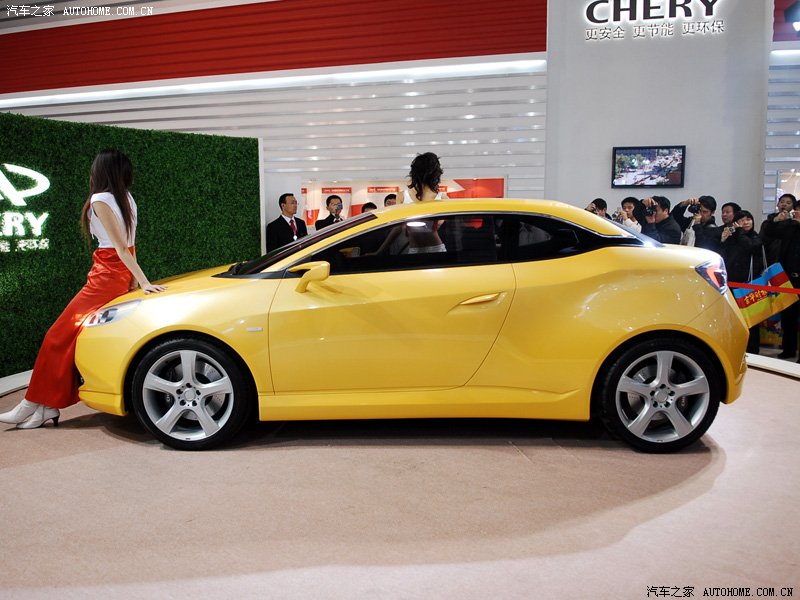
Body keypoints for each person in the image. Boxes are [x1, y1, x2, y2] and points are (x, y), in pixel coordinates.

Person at [0, 149, 166, 429]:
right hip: (115, 274)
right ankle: (45, 407)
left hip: (106, 275)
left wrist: (143, 282)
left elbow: (120, 247)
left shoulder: (100, 199)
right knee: (70, 338)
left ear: (99, 171)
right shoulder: (126, 198)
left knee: (56, 336)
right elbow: (130, 246)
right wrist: (135, 282)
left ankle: (30, 403)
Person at [759, 195, 800, 361]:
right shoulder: (789, 225)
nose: (797, 212)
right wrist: (777, 220)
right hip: (788, 276)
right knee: (788, 314)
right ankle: (788, 349)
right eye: (797, 210)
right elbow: (769, 233)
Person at [719, 210, 765, 354]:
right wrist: (723, 240)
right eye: (742, 220)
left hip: (750, 283)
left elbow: (750, 247)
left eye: (748, 219)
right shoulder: (733, 237)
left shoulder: (755, 237)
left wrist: (738, 232)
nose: (746, 222)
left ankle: (752, 350)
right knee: (732, 318)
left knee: (751, 320)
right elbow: (723, 255)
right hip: (732, 282)